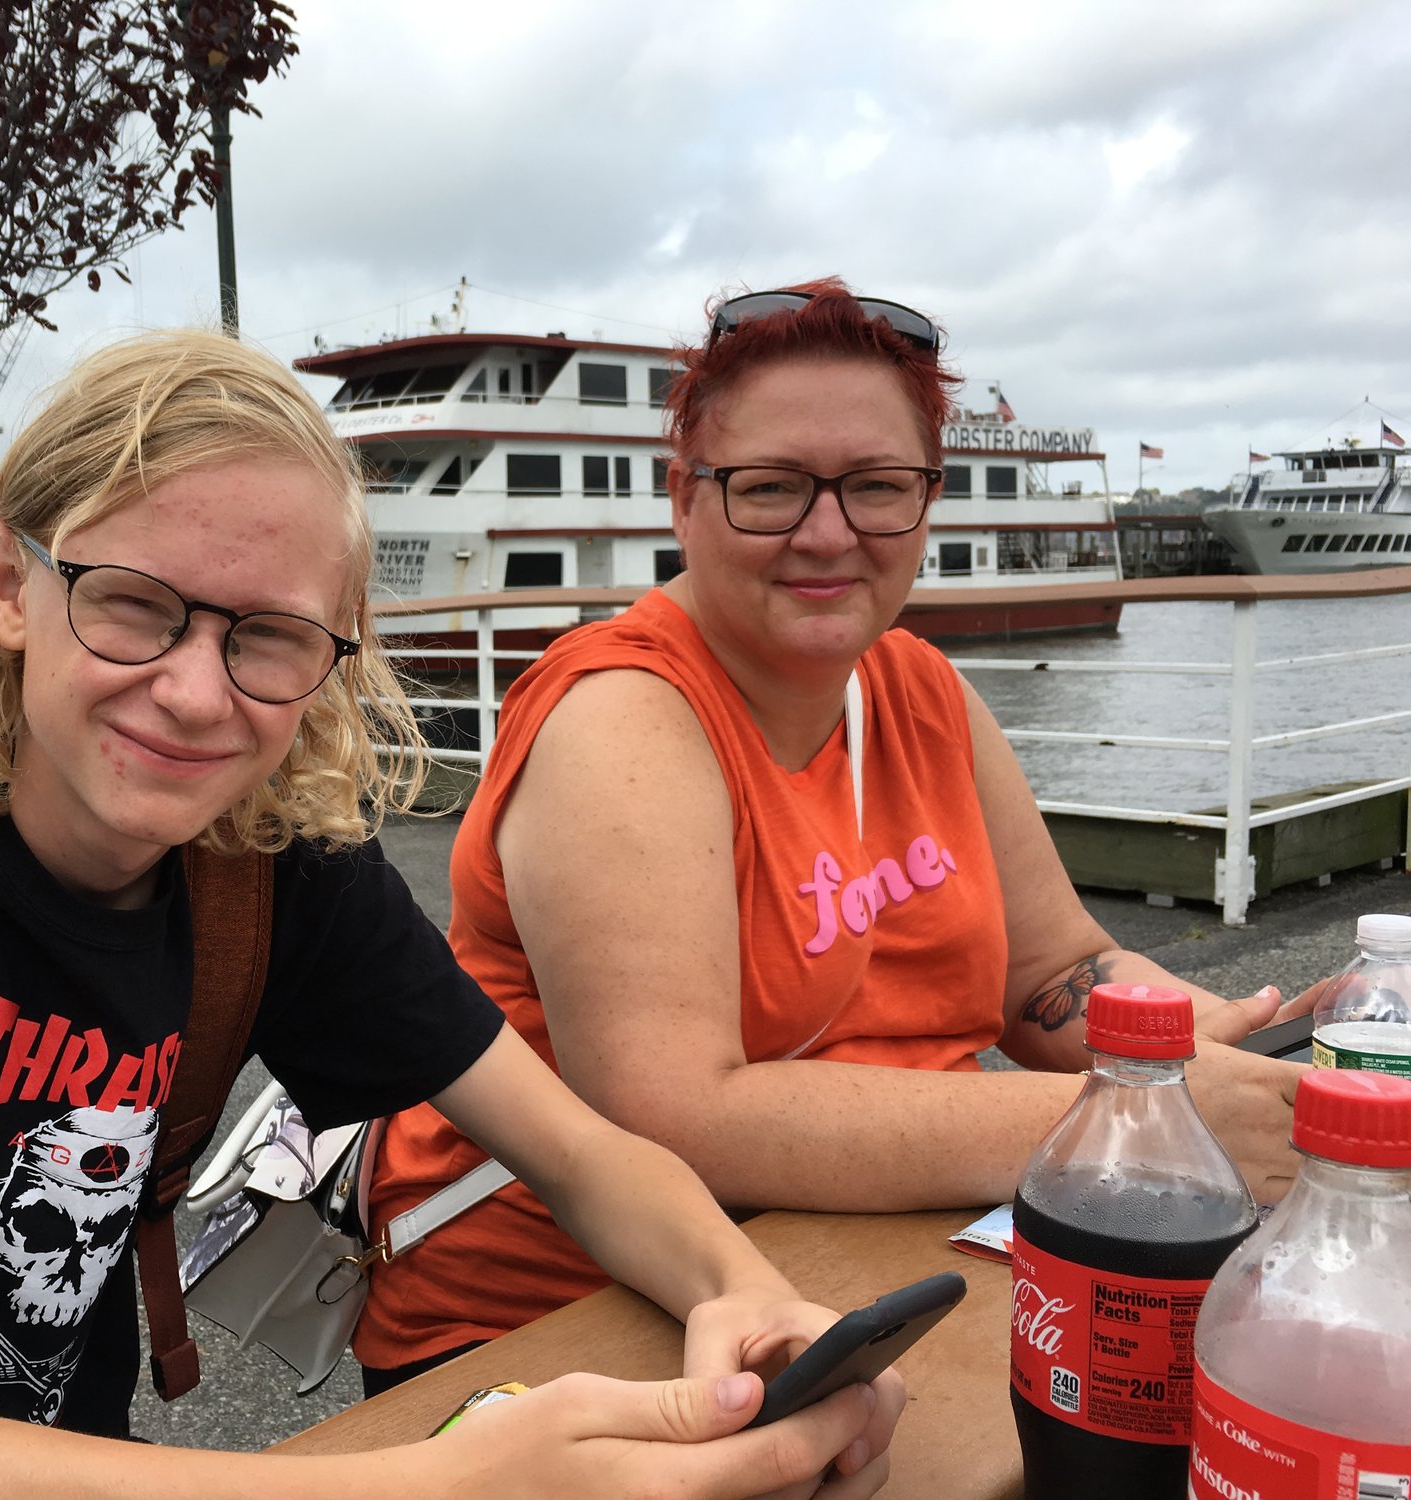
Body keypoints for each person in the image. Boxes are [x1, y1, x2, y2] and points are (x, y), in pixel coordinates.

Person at [0, 328, 904, 1500]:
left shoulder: (267, 866)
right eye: (133, 606)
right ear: (10, 585)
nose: (197, 695)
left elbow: (583, 1154)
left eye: (267, 637)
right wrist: (427, 1485)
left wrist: (746, 1299)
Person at [355, 281, 1311, 1384]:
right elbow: (676, 1115)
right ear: (684, 499)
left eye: (875, 487)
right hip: (565, 1327)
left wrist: (1234, 1046)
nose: (827, 533)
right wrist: (1131, 1125)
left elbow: (1052, 972)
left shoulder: (923, 693)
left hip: (883, 1261)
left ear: (925, 499)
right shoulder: (620, 718)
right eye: (770, 488)